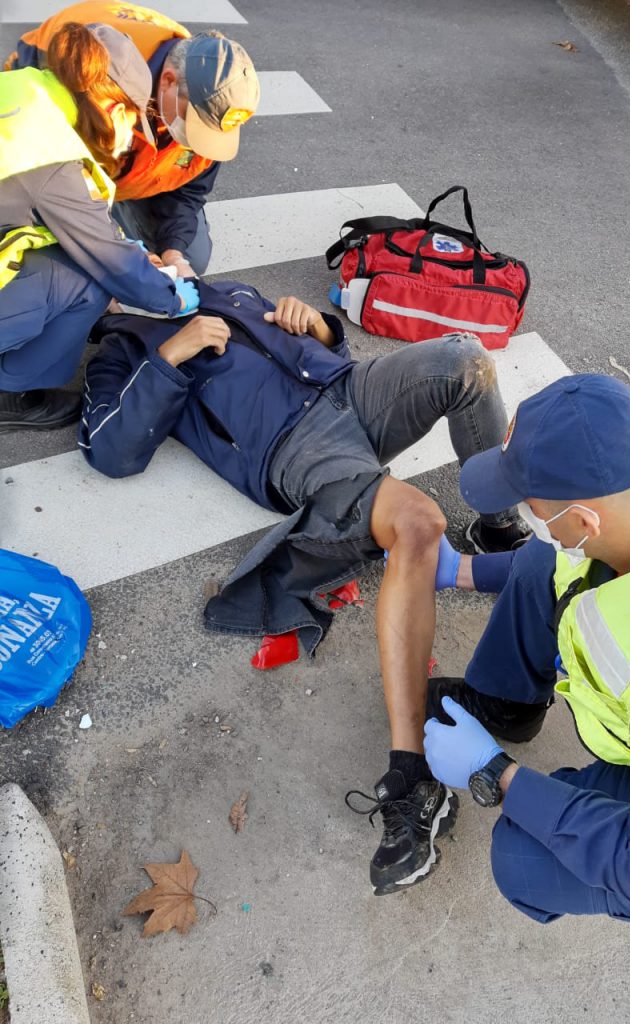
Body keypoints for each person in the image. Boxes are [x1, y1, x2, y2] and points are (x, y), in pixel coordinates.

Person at [77, 281, 529, 893]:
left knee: (464, 362)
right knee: (418, 524)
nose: (150, 265)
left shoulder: (209, 288)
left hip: (345, 390)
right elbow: (109, 449)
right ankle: (410, 777)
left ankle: (502, 534)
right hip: (295, 445)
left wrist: (316, 326)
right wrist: (170, 355)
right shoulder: (120, 350)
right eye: (120, 266)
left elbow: (314, 345)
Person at [422, 373, 630, 922]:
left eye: (531, 508)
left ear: (585, 520)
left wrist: (499, 776)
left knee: (523, 856)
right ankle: (506, 705)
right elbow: (562, 556)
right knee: (546, 557)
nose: (531, 519)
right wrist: (460, 570)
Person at [0, 22, 197, 432]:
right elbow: (112, 264)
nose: (127, 142)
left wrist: (125, 246)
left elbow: (47, 214)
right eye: (131, 126)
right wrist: (175, 297)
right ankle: (12, 393)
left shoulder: (22, 88)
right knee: (89, 280)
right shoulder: (51, 158)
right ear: (115, 108)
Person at [8, 1, 260, 277]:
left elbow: (189, 192)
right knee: (87, 277)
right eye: (194, 123)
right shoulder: (100, 76)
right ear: (167, 81)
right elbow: (57, 182)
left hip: (136, 175)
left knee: (192, 258)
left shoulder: (214, 102)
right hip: (75, 170)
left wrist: (173, 251)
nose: (195, 141)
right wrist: (117, 249)